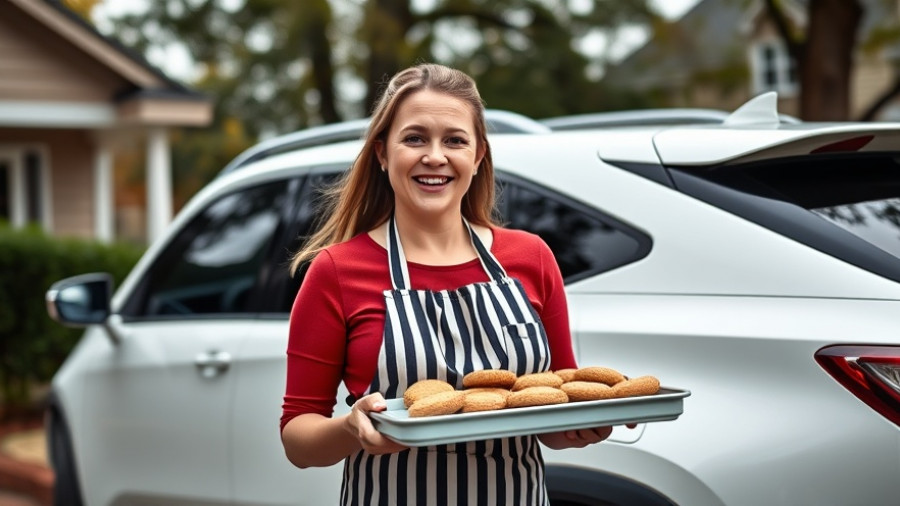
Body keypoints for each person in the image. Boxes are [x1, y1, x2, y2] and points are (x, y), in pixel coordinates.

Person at [280, 62, 613, 505]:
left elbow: (553, 404)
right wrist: (349, 429)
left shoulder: (531, 257)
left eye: (454, 140)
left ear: (477, 157)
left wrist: (579, 429)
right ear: (382, 153)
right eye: (414, 138)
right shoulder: (336, 271)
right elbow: (297, 436)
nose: (434, 156)